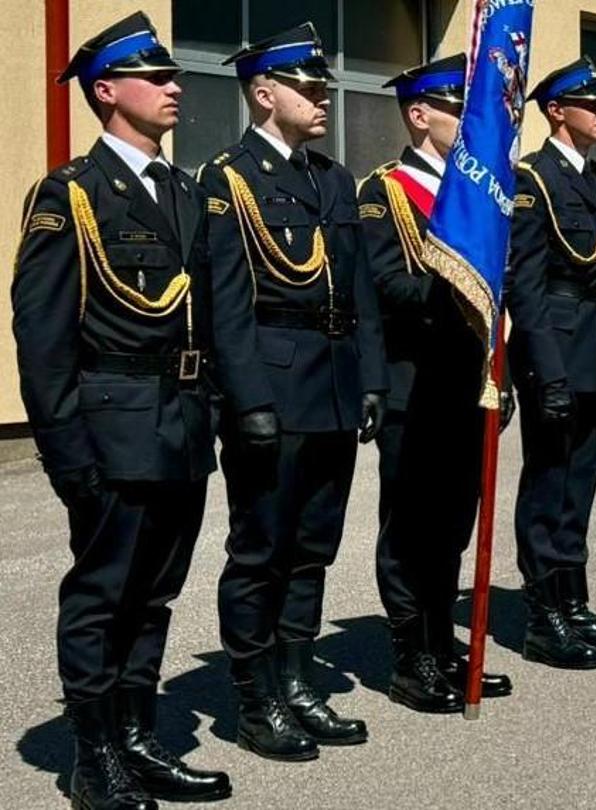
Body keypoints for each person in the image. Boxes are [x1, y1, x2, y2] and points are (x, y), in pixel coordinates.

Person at [15, 13, 262, 804]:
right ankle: (94, 761)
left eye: (172, 77)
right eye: (156, 78)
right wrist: (66, 456)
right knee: (102, 596)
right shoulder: (72, 196)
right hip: (111, 431)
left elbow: (217, 319)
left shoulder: (187, 193)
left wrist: (227, 410)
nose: (174, 88)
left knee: (154, 595)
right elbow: (43, 338)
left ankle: (137, 737)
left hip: (182, 426)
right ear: (107, 90)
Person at [200, 21, 386, 760]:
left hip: (334, 387)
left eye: (322, 90)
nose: (321, 101)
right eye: (308, 90)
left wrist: (370, 378)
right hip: (273, 389)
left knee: (313, 547)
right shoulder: (228, 179)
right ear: (263, 93)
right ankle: (255, 699)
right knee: (261, 550)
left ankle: (298, 678)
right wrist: (246, 401)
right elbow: (225, 304)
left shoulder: (333, 180)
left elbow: (362, 292)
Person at [360, 54, 514, 714]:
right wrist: (456, 280)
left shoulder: (476, 198)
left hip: (467, 384)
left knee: (453, 524)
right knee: (411, 529)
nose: (469, 122)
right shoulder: (384, 193)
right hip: (412, 383)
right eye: (458, 109)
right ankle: (411, 656)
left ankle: (442, 640)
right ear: (419, 115)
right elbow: (390, 286)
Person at [508, 57, 596, 668]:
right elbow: (526, 287)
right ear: (556, 112)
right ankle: (542, 616)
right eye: (592, 103)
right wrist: (545, 371)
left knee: (580, 488)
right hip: (557, 350)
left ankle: (574, 601)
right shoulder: (531, 180)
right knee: (549, 484)